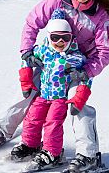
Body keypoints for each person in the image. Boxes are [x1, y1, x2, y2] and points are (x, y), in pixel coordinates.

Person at [0, 0, 109, 172]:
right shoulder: (58, 0)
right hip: (49, 60)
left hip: (76, 69)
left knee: (78, 105)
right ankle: (2, 131)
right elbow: (32, 22)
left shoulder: (99, 17)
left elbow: (106, 50)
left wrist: (86, 71)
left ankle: (87, 155)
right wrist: (27, 51)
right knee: (27, 91)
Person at [10, 9, 93, 171]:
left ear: (71, 38)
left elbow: (86, 77)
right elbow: (26, 59)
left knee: (52, 123)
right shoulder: (43, 51)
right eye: (55, 37)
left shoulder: (75, 57)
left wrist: (80, 96)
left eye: (65, 38)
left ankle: (53, 153)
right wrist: (26, 79)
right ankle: (30, 144)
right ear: (49, 37)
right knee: (32, 118)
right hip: (43, 95)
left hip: (60, 98)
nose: (60, 41)